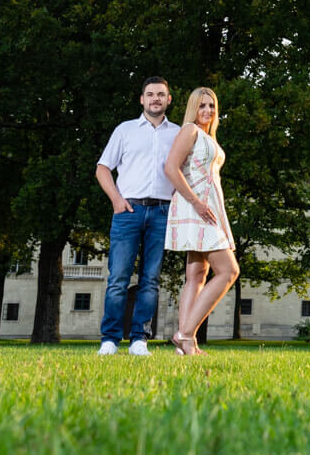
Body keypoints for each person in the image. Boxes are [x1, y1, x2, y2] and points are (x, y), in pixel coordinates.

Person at [94, 76, 182, 356]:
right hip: (128, 211)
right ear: (141, 99)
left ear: (168, 100)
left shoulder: (179, 133)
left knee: (150, 279)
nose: (155, 98)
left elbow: (185, 174)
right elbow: (103, 168)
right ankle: (109, 339)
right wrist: (117, 200)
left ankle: (139, 340)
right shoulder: (125, 130)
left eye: (161, 94)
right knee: (118, 277)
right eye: (150, 94)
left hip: (162, 211)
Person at [163, 86, 239, 356]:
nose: (207, 110)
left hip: (209, 208)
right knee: (229, 271)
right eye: (202, 105)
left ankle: (187, 345)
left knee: (196, 275)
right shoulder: (190, 130)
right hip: (196, 208)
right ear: (193, 107)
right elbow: (171, 167)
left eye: (211, 106)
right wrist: (196, 202)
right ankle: (185, 333)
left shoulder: (209, 138)